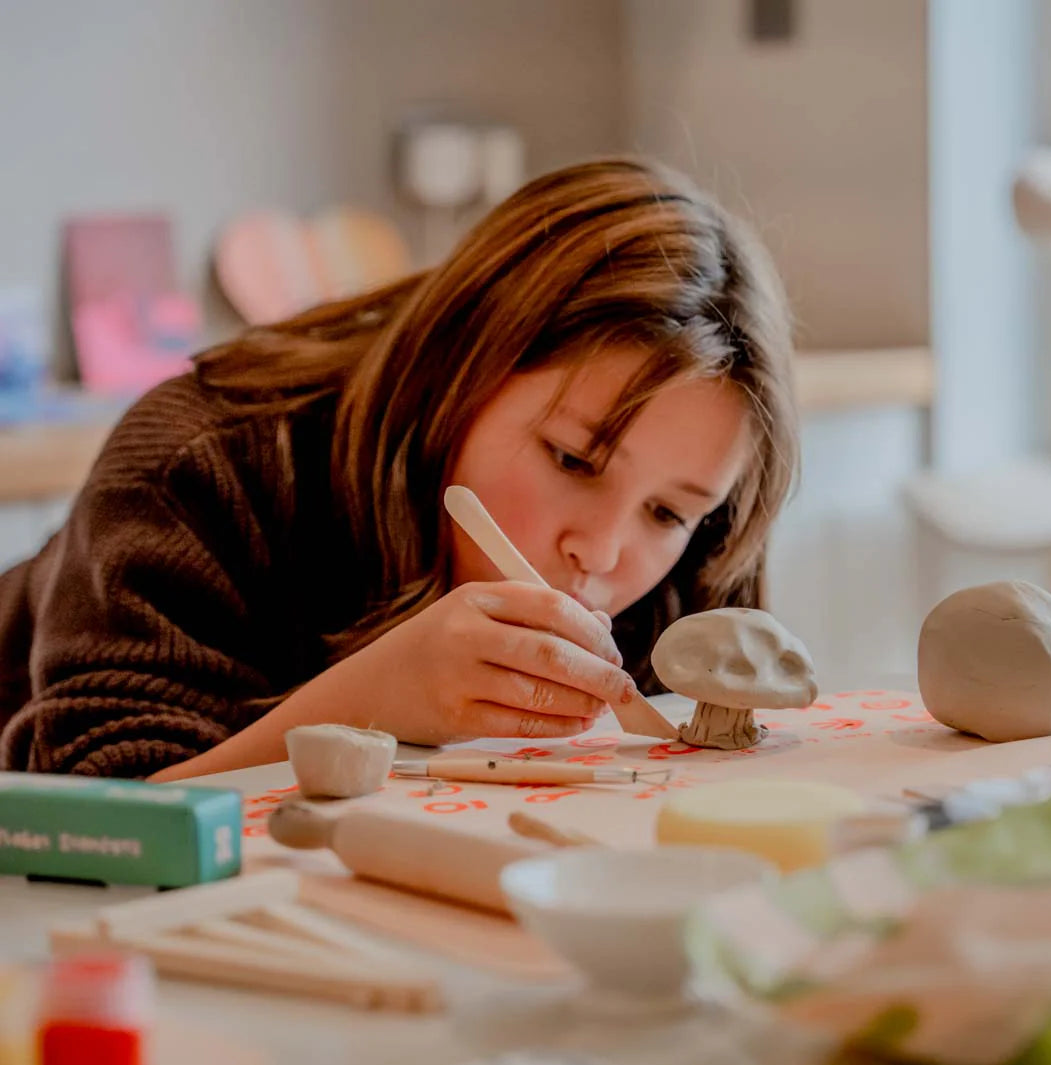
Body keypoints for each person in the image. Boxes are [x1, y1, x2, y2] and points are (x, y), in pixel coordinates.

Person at [0, 157, 798, 781]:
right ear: (464, 366)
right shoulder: (198, 461)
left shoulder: (693, 557)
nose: (603, 552)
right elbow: (101, 828)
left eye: (666, 514)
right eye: (572, 459)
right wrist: (375, 705)